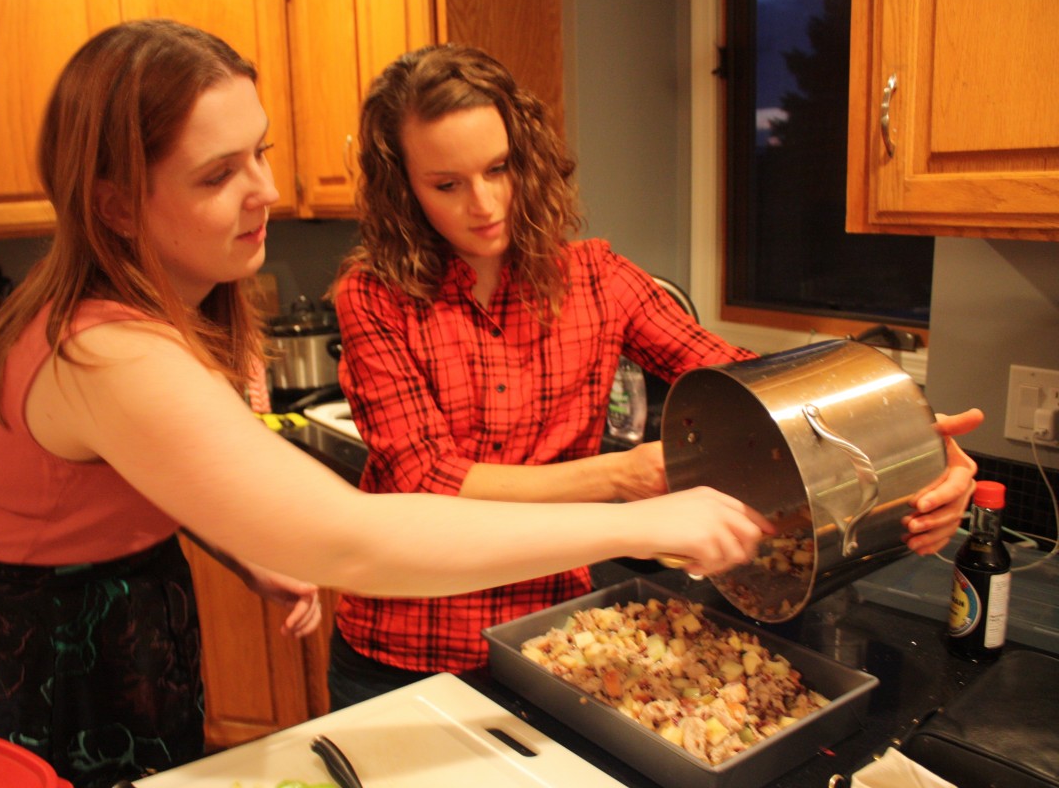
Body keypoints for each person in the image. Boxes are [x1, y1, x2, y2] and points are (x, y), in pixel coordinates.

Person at [0, 21, 783, 788]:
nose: (268, 193)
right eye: (218, 175)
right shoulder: (105, 349)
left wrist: (898, 426)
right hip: (39, 672)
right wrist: (638, 516)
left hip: (123, 633)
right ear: (118, 204)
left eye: (262, 152)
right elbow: (353, 536)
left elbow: (150, 467)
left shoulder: (162, 307)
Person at [327, 43, 984, 710]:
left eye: (500, 168)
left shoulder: (595, 278)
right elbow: (424, 479)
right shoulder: (374, 296)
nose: (486, 202)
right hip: (408, 647)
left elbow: (748, 383)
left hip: (545, 641)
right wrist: (619, 477)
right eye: (447, 184)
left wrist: (918, 453)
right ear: (403, 187)